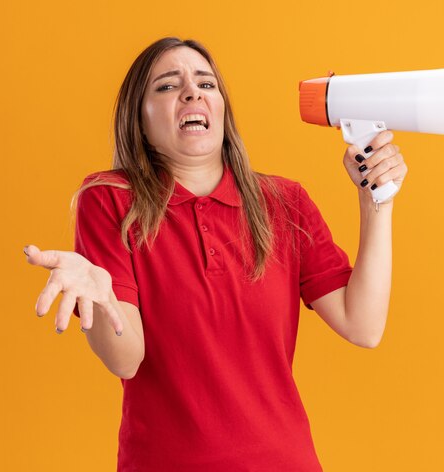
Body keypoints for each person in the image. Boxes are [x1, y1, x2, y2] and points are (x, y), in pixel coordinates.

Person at [24, 37, 408, 472]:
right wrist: (100, 296)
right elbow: (126, 360)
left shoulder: (284, 202)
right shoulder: (111, 200)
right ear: (140, 120)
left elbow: (364, 325)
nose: (193, 91)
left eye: (206, 83)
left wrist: (376, 202)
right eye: (167, 86)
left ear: (222, 109)